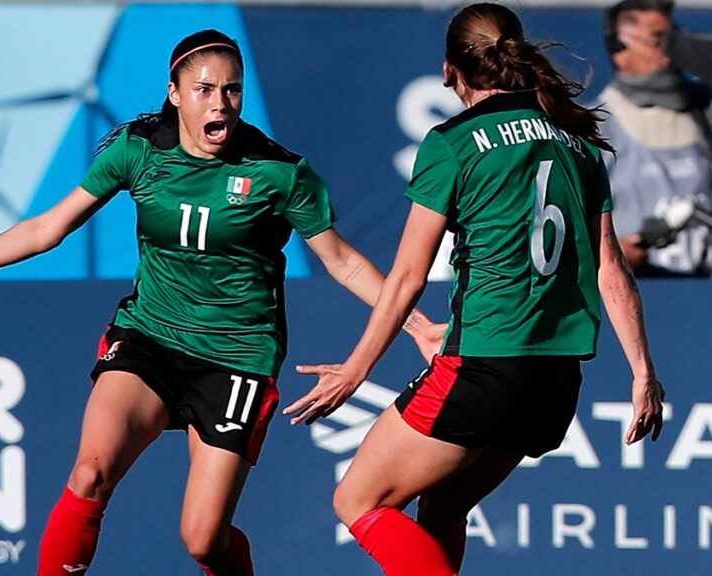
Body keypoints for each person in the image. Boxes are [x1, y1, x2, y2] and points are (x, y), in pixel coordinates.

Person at [0, 29, 442, 576]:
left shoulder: (278, 171)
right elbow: (51, 227)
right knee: (91, 471)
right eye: (205, 89)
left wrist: (414, 324)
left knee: (203, 538)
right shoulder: (138, 150)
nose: (221, 103)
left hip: (236, 358)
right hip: (150, 339)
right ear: (175, 94)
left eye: (232, 90)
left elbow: (341, 261)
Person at [284, 4, 666, 576]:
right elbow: (612, 271)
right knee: (445, 503)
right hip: (556, 379)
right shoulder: (576, 140)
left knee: (357, 500)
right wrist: (643, 373)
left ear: (449, 70)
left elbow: (409, 275)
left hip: (486, 363)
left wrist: (356, 367)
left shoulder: (453, 141)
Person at [597, 0, 712, 277]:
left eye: (675, 37)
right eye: (658, 39)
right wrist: (609, 255)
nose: (672, 50)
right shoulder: (595, 127)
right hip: (644, 295)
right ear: (620, 50)